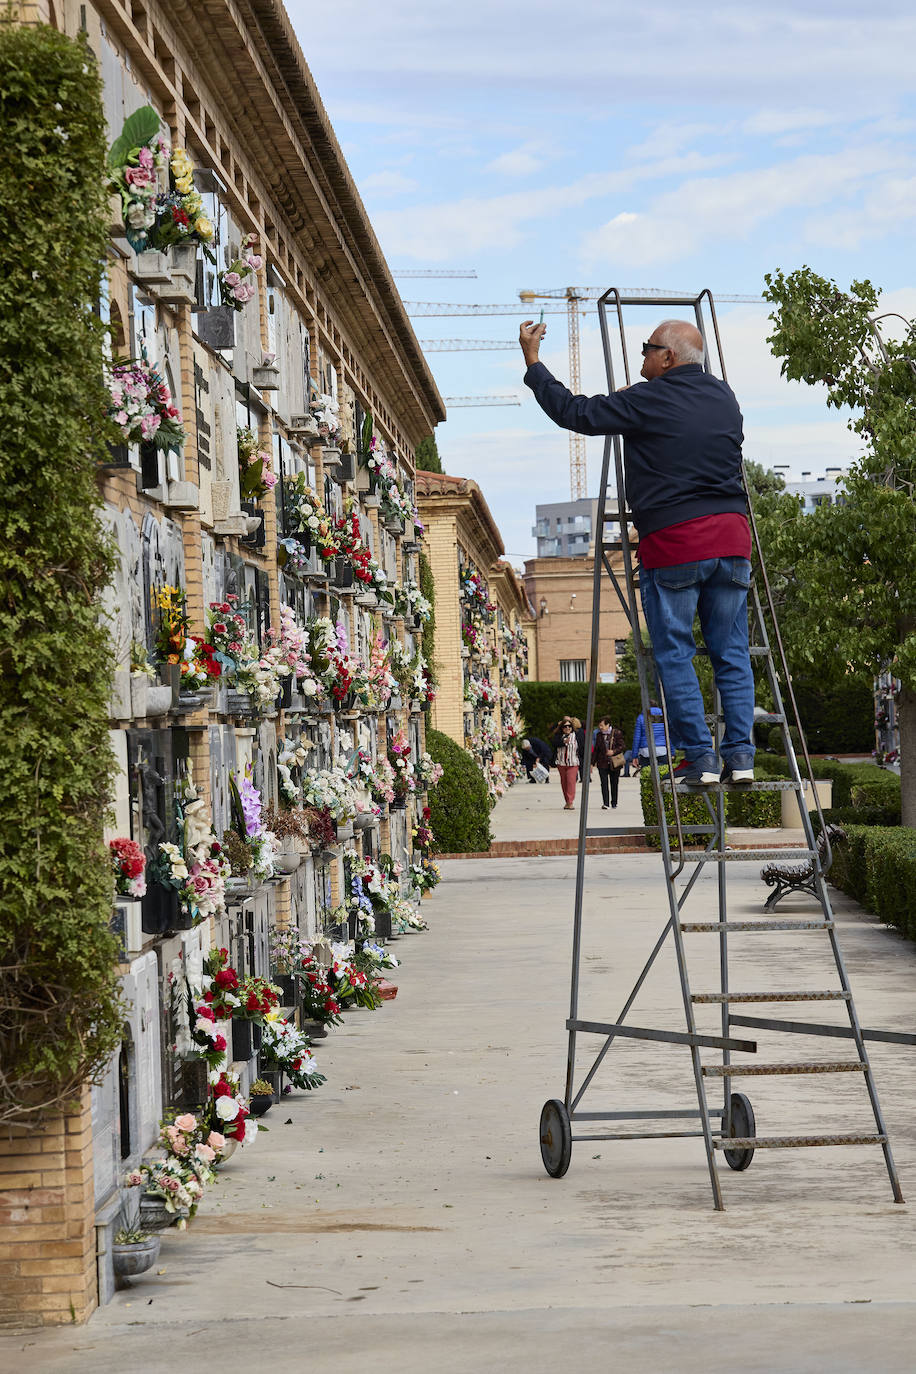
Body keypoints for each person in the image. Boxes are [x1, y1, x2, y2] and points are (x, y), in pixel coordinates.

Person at [520, 317, 755, 787]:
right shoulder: (724, 397)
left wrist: (533, 361)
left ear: (668, 357)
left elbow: (576, 413)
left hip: (675, 542)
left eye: (647, 349)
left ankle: (700, 760)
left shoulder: (648, 399)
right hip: (732, 540)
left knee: (674, 653)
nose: (641, 356)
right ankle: (742, 757)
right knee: (732, 652)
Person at [592, 716, 625, 809]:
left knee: (614, 783)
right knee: (604, 783)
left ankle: (614, 802)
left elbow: (622, 746)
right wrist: (592, 763)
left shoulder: (617, 733)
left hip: (614, 762)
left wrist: (613, 751)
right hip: (602, 762)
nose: (600, 727)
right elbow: (596, 750)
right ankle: (606, 803)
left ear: (608, 725)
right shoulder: (599, 735)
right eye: (599, 726)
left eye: (602, 725)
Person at [552, 718, 582, 810]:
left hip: (573, 763)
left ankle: (570, 802)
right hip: (561, 763)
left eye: (569, 726)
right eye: (565, 726)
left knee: (571, 782)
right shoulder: (558, 736)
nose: (567, 728)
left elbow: (582, 748)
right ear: (562, 728)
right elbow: (554, 743)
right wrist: (563, 742)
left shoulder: (577, 735)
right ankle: (567, 801)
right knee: (564, 783)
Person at [631, 701, 668, 771]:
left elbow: (637, 738)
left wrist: (634, 755)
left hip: (646, 751)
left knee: (647, 774)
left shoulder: (641, 717)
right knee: (662, 774)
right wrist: (672, 751)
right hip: (662, 749)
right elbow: (669, 735)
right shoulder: (664, 716)